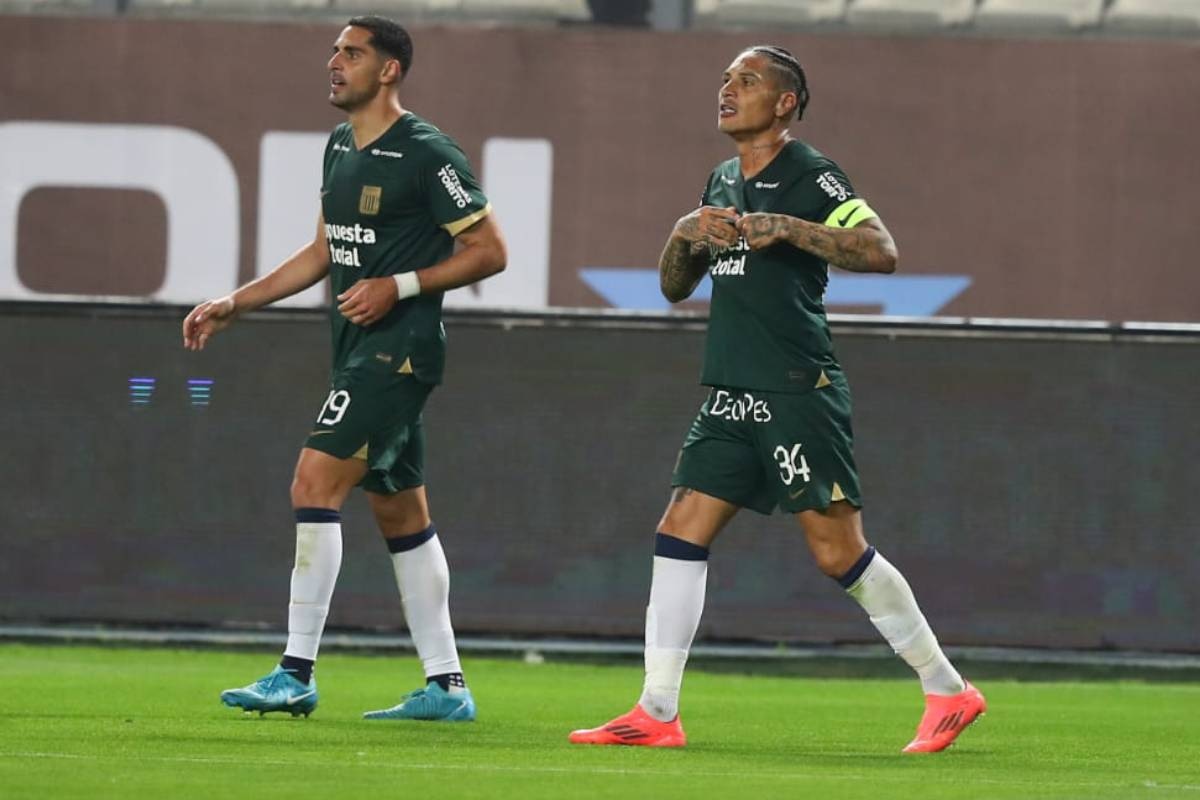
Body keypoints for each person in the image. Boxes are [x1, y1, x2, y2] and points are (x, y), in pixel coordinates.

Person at [569, 45, 985, 753]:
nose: (728, 90)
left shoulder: (809, 173)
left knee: (836, 551)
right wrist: (682, 232)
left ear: (785, 103)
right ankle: (656, 711)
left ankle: (948, 689)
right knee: (680, 528)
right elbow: (675, 286)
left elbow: (880, 250)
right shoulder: (723, 177)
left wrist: (789, 227)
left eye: (747, 81)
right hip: (732, 392)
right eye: (726, 80)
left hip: (795, 388)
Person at [182, 16, 506, 722]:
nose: (335, 62)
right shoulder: (338, 146)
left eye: (352, 53)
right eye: (334, 50)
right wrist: (237, 301)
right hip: (358, 350)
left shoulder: (426, 152)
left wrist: (402, 285)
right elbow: (326, 248)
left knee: (312, 479)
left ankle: (294, 670)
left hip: (402, 348)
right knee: (400, 511)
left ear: (389, 70)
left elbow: (489, 250)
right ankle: (447, 687)